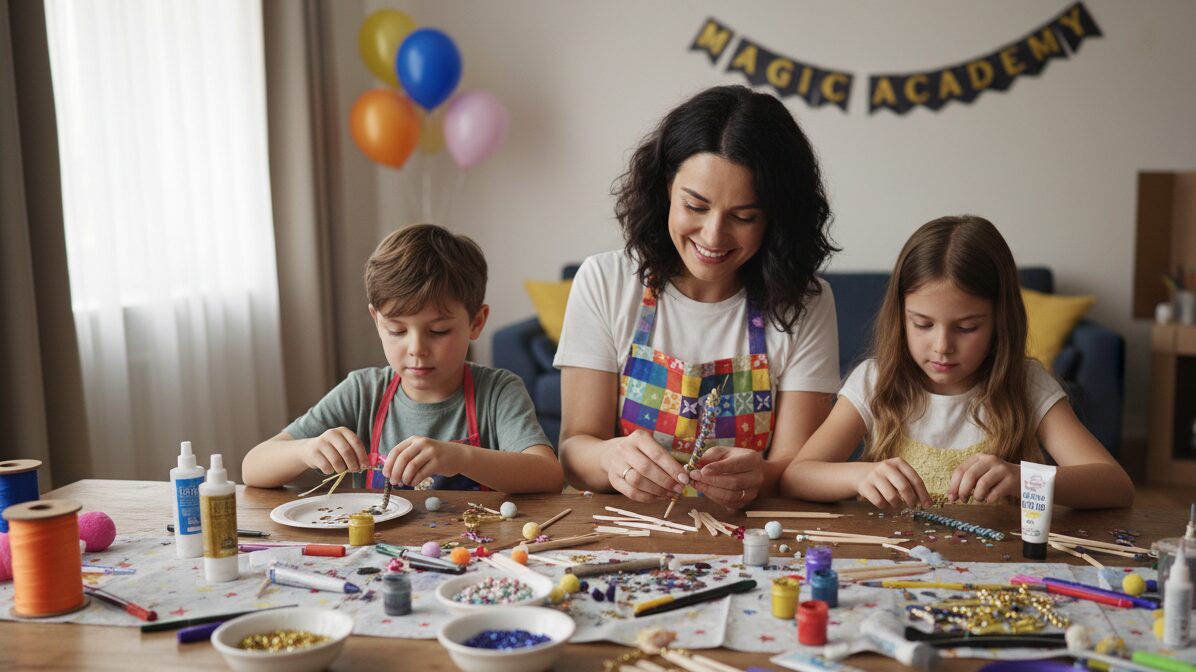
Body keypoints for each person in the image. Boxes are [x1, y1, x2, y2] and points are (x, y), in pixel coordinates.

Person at [555, 85, 840, 509]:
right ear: (666, 187)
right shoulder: (605, 281)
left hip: (749, 534)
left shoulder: (806, 302)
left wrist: (759, 475)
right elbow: (575, 451)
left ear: (777, 218)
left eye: (744, 217)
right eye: (695, 206)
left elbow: (795, 468)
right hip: (624, 526)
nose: (713, 236)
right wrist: (611, 458)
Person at [781, 215, 1133, 510]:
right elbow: (798, 477)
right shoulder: (875, 380)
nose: (942, 347)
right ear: (900, 316)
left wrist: (1024, 479)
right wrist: (858, 474)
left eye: (967, 327)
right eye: (922, 324)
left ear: (1000, 320)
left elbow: (1116, 485)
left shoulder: (1026, 383)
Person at [242, 224, 563, 493]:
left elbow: (547, 475)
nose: (416, 348)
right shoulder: (363, 392)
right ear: (377, 320)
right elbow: (252, 467)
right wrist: (305, 450)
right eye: (397, 330)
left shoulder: (497, 392)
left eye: (438, 331)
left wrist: (461, 458)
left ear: (476, 322)